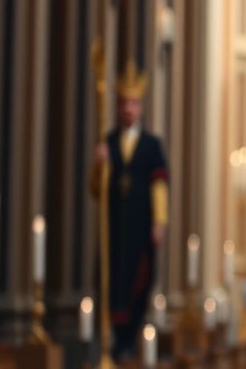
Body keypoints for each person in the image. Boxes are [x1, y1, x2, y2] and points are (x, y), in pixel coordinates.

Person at [92, 61, 170, 359]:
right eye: (124, 103)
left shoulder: (151, 145)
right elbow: (96, 190)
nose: (128, 109)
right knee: (111, 280)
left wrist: (160, 221)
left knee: (139, 278)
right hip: (114, 226)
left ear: (141, 107)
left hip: (140, 225)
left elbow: (160, 184)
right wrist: (98, 165)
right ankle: (112, 339)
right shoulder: (108, 142)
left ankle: (127, 339)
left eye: (133, 103)